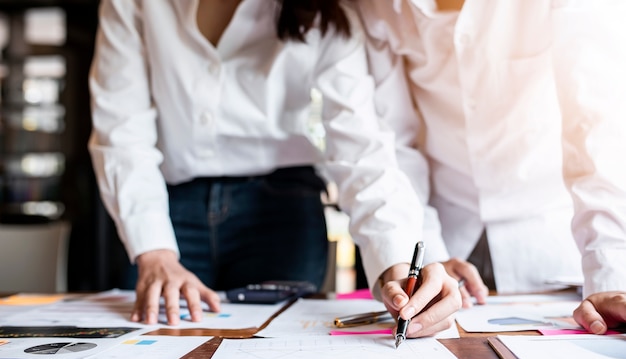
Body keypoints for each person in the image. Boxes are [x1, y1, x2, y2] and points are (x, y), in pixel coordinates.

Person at [88, 0, 461, 335]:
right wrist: (154, 252)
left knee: (274, 346)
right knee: (153, 335)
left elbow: (361, 152)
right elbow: (122, 132)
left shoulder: (329, 12)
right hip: (164, 211)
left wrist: (396, 269)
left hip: (280, 213)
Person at [356, 0, 626, 332]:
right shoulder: (373, 7)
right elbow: (393, 143)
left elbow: (597, 123)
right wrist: (425, 258)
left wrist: (611, 272)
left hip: (555, 246)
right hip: (444, 237)